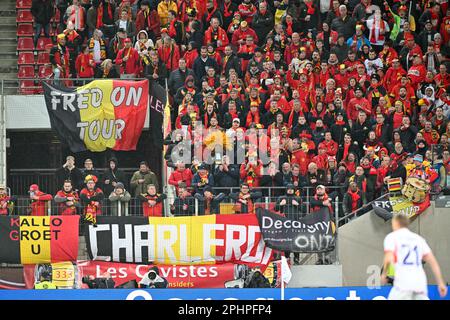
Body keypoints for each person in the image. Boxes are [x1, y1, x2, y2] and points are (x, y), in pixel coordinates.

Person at [381, 214, 447, 300]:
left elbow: (388, 257)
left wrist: (384, 274)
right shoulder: (418, 239)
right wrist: (441, 283)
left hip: (403, 283)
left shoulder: (392, 237)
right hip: (420, 283)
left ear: (395, 223)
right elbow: (433, 261)